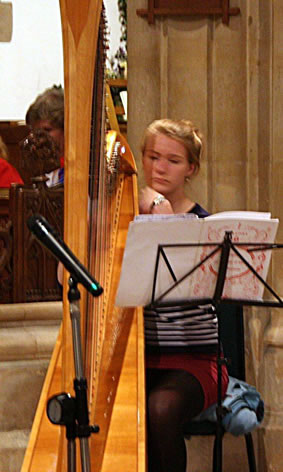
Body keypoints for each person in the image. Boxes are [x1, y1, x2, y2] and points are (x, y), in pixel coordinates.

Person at [139, 119, 229, 472]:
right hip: (139, 358)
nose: (160, 167)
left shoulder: (204, 228)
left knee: (160, 407)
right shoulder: (121, 219)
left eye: (173, 160)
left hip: (195, 361)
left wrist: (161, 214)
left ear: (191, 168)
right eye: (153, 156)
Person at [25, 85, 64, 187]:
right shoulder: (46, 173)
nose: (41, 138)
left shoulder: (82, 173)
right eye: (36, 132)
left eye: (47, 130)